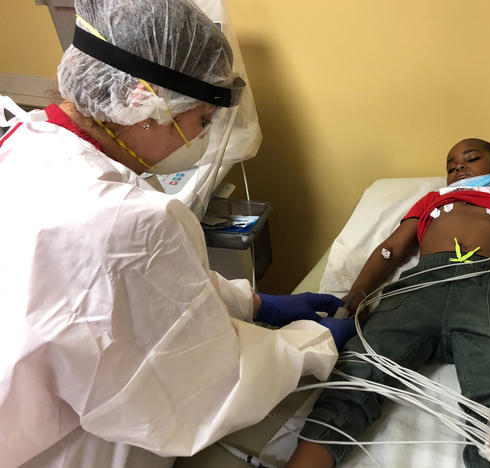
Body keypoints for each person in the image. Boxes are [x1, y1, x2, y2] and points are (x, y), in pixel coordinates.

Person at [0, 1, 355, 467]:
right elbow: (197, 389)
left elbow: (118, 300)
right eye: (202, 121)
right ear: (144, 104)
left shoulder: (27, 140)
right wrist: (311, 344)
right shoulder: (123, 219)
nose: (202, 138)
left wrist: (251, 303)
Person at [286, 138, 490, 468]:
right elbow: (391, 249)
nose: (458, 167)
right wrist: (357, 295)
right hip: (420, 288)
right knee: (359, 371)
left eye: (470, 159)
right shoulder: (433, 200)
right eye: (450, 165)